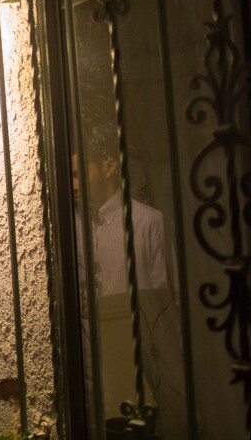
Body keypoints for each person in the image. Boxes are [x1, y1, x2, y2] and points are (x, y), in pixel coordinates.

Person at [72, 140, 186, 439]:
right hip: (94, 367)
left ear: (109, 165)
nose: (73, 184)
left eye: (79, 173)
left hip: (139, 364)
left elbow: (165, 297)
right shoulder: (76, 226)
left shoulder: (146, 221)